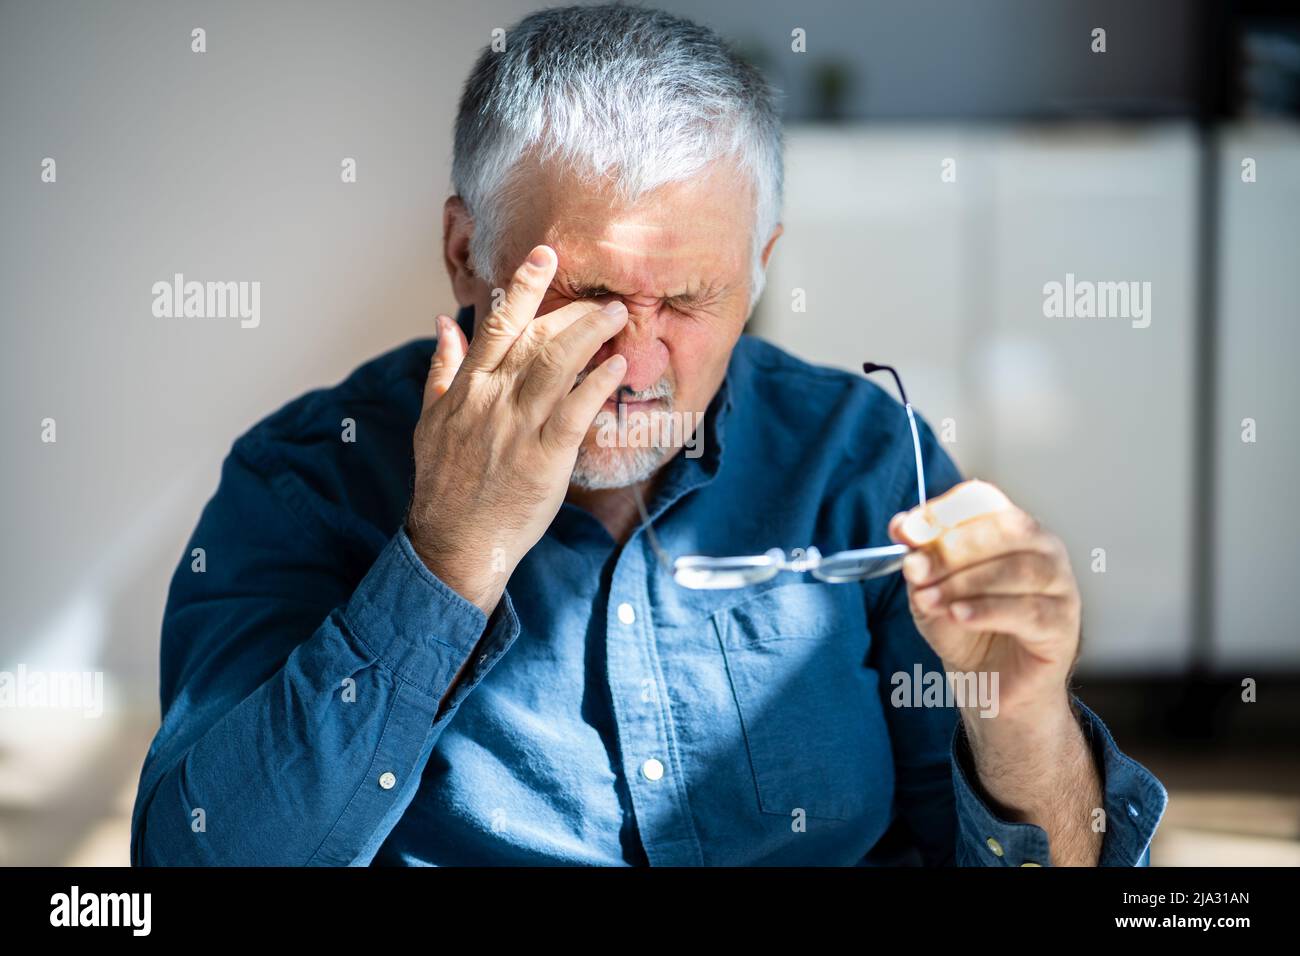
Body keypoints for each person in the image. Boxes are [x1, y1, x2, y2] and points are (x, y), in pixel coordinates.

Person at [131, 3, 1166, 866]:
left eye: (687, 295)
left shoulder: (858, 458)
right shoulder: (302, 480)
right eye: (584, 294)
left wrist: (1021, 719)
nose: (636, 360)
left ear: (759, 267)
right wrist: (447, 560)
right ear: (464, 253)